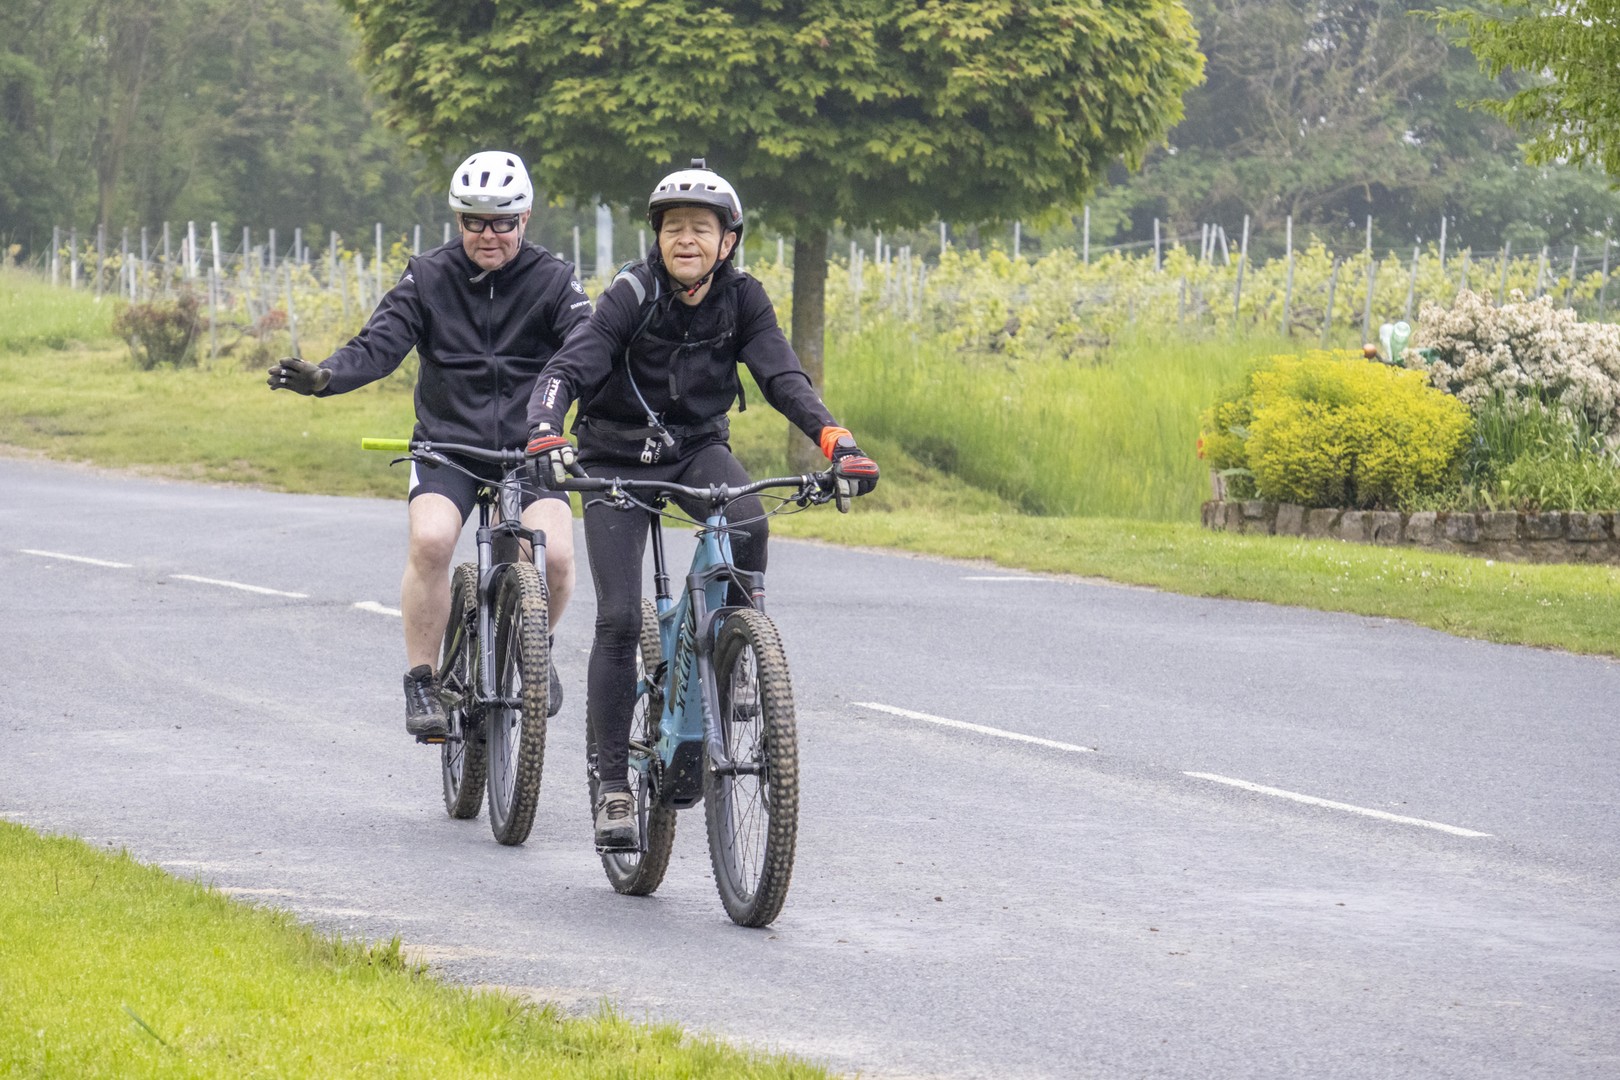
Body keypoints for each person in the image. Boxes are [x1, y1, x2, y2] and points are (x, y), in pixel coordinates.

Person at [524, 159, 879, 849]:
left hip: (695, 449)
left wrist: (838, 443)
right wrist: (545, 428)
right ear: (657, 238)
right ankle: (613, 786)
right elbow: (570, 366)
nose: (685, 239)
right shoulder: (632, 292)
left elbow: (783, 376)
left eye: (701, 228)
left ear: (728, 241)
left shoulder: (744, 299)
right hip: (615, 458)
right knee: (619, 618)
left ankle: (741, 647)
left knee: (747, 519)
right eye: (673, 228)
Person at [267, 150, 592, 739]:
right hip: (449, 446)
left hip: (532, 448)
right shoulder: (428, 275)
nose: (488, 235)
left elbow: (588, 348)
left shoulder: (554, 279)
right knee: (433, 540)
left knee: (556, 559)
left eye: (502, 221)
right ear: (457, 220)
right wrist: (326, 378)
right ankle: (422, 678)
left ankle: (533, 647)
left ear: (525, 218)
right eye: (473, 221)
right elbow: (378, 345)